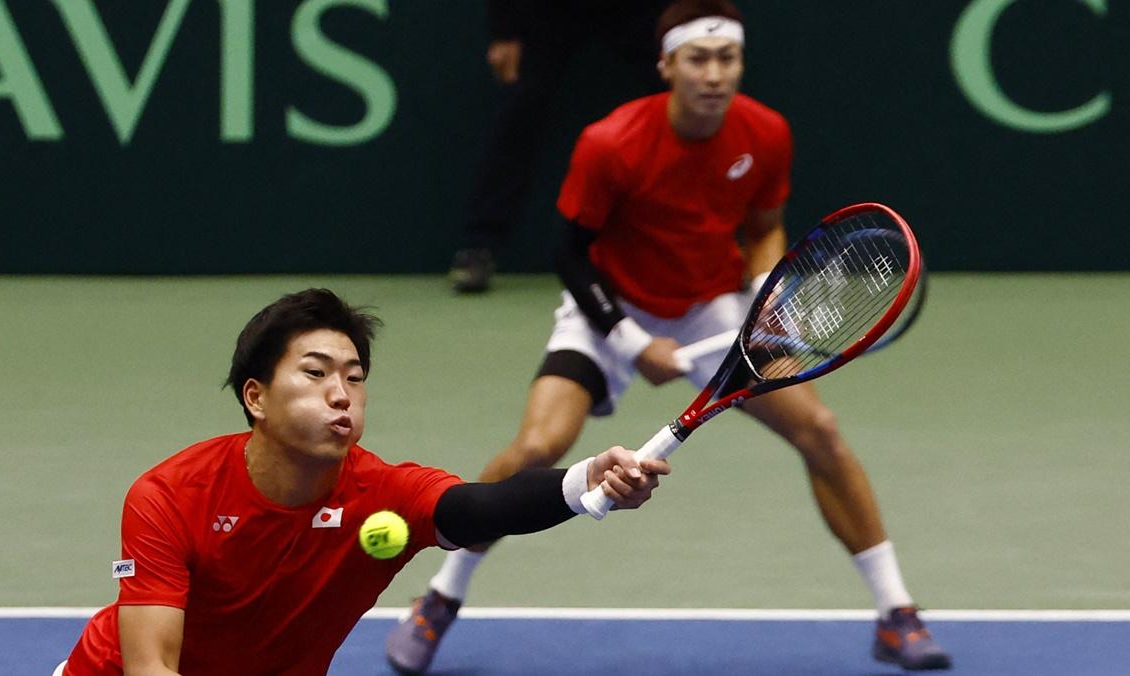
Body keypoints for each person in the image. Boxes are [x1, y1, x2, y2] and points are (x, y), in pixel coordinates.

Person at [389, 0, 953, 672]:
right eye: (698, 59)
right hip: (609, 308)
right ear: (666, 65)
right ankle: (440, 599)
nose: (714, 75)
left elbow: (766, 226)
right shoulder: (611, 142)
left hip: (713, 311)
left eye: (727, 58)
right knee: (538, 447)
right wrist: (630, 342)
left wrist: (767, 289)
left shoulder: (765, 132)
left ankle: (896, 613)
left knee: (821, 433)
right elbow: (569, 255)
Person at [55, 288, 669, 675]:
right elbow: (150, 664)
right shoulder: (169, 496)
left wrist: (589, 478)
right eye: (316, 373)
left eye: (354, 377)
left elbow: (481, 508)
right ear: (256, 397)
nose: (340, 395)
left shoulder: (383, 495)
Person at [450, 0, 670, 293]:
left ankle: (713, 244)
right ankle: (481, 244)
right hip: (552, 10)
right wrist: (504, 32)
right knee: (522, 106)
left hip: (640, 10)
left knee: (687, 97)